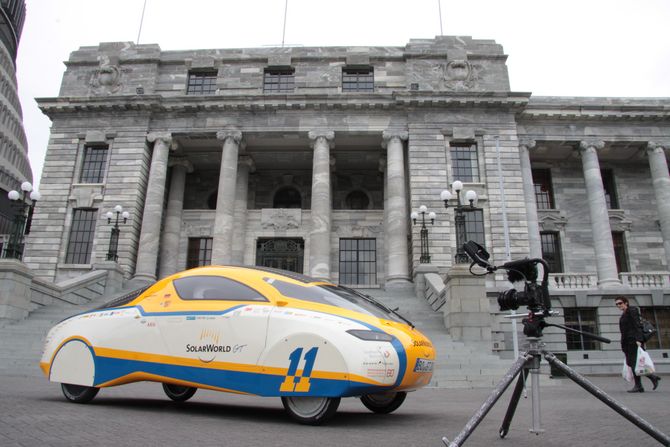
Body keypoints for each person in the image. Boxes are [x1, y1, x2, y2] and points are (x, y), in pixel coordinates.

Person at [616, 296, 661, 392]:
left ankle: (639, 385)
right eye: (617, 304)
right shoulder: (624, 314)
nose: (618, 305)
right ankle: (650, 378)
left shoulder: (632, 311)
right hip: (627, 342)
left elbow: (637, 326)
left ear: (626, 303)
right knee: (633, 363)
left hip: (634, 341)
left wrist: (639, 339)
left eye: (620, 303)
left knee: (634, 363)